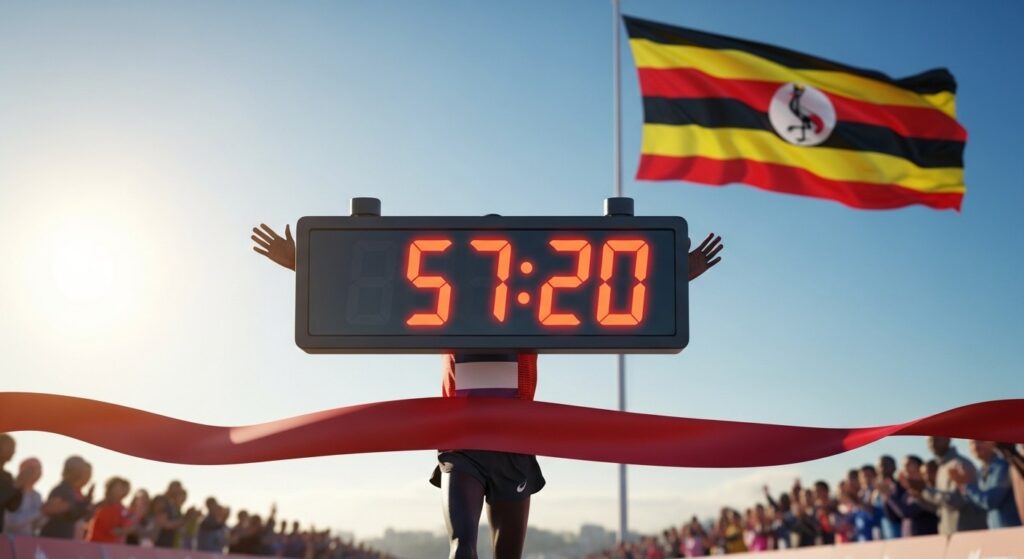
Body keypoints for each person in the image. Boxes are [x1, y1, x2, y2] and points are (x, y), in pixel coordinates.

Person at [251, 221, 725, 558]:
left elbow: (612, 287)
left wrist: (673, 277)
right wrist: (302, 265)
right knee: (462, 545)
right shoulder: (441, 309)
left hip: (516, 445)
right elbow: (375, 288)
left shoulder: (538, 313)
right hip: (461, 446)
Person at [917, 437, 986, 535]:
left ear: (948, 439)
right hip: (949, 534)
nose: (932, 444)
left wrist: (927, 491)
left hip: (965, 534)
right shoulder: (942, 468)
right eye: (929, 441)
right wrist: (919, 494)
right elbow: (941, 507)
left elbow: (958, 501)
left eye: (936, 439)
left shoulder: (960, 464)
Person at [949, 440, 1022, 529]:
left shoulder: (1002, 466)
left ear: (992, 443)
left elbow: (990, 501)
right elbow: (979, 506)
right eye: (971, 443)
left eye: (980, 441)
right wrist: (962, 485)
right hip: (997, 532)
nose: (975, 446)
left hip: (1011, 531)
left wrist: (967, 485)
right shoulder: (981, 471)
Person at [39, 455, 93, 539]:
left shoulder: (69, 491)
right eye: (81, 470)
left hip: (65, 538)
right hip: (54, 538)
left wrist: (86, 502)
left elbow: (74, 516)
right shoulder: (61, 490)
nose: (83, 474)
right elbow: (51, 511)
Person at [86, 477, 134, 544]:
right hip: (96, 545)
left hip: (112, 547)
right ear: (110, 488)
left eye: (124, 488)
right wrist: (128, 530)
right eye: (119, 487)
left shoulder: (124, 509)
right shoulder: (102, 506)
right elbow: (111, 530)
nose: (123, 490)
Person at [4, 458, 43, 536]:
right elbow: (11, 522)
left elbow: (36, 526)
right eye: (32, 468)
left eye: (39, 468)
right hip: (7, 542)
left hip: (26, 542)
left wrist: (48, 513)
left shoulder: (37, 495)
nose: (37, 472)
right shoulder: (11, 491)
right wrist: (40, 511)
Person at [0, 436, 28, 534]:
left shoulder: (7, 476)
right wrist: (15, 486)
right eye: (10, 447)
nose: (13, 451)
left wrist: (20, 488)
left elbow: (12, 507)